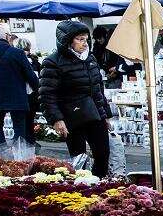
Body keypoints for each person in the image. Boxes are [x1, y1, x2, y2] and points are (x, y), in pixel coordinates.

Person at [39, 20, 114, 178]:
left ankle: (98, 184)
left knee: (103, 154)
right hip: (72, 117)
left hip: (95, 114)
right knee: (79, 159)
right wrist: (56, 119)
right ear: (67, 40)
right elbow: (47, 94)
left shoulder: (91, 59)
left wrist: (105, 115)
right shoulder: (53, 62)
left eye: (86, 39)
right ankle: (82, 190)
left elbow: (98, 89)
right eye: (79, 39)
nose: (84, 43)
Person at [0, 23, 39, 148]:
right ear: (6, 36)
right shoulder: (18, 53)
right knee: (19, 125)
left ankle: (2, 151)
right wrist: (37, 88)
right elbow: (30, 75)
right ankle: (19, 152)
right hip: (17, 95)